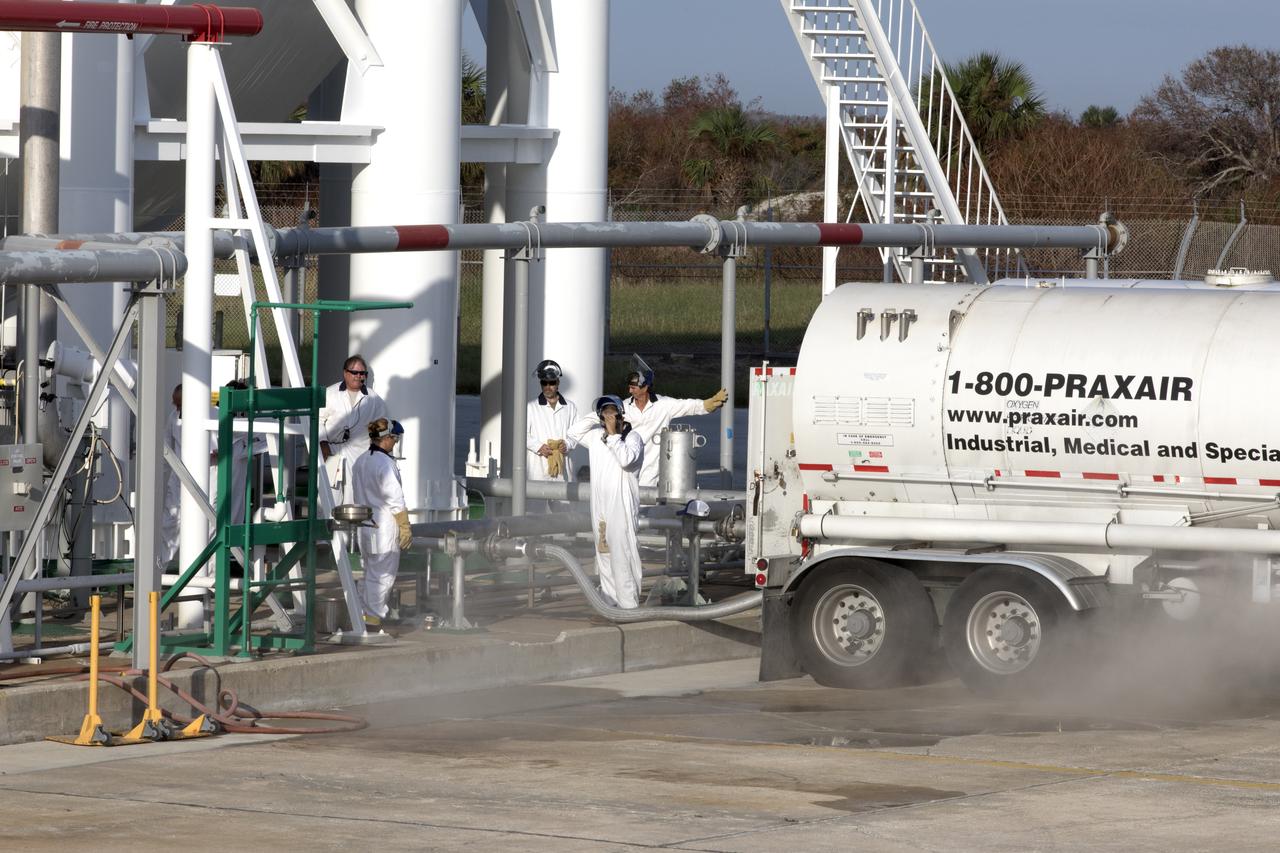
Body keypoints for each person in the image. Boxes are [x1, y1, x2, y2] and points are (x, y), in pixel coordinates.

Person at [566, 395, 645, 609]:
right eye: (605, 413)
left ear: (620, 414)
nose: (609, 416)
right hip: (600, 505)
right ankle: (611, 602)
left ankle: (629, 605)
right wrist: (596, 416)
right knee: (604, 553)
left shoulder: (632, 437)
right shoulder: (595, 437)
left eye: (613, 412)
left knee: (622, 553)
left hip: (621, 506)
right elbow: (573, 432)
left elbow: (626, 459)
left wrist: (612, 434)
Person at [621, 358, 727, 489]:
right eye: (629, 387)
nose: (630, 391)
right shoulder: (623, 406)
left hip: (651, 468)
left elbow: (686, 405)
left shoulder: (663, 405)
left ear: (646, 387)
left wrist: (707, 404)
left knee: (646, 505)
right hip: (628, 465)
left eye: (633, 387)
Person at [351, 417, 412, 629]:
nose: (395, 442)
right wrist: (405, 527)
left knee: (368, 572)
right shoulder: (385, 464)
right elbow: (396, 500)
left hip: (365, 527)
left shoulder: (360, 461)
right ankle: (374, 620)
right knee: (383, 576)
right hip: (384, 528)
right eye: (394, 438)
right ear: (385, 439)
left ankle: (361, 615)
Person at [320, 354, 387, 505]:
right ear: (345, 373)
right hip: (331, 452)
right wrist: (322, 443)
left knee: (354, 498)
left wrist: (376, 451)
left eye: (362, 373)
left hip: (359, 454)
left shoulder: (373, 399)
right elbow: (318, 420)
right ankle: (328, 528)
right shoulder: (330, 394)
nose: (358, 376)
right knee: (329, 497)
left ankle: (349, 529)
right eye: (354, 372)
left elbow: (381, 424)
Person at [526, 359, 578, 485]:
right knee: (536, 504)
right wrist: (539, 447)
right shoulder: (530, 407)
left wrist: (567, 444)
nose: (548, 387)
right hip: (538, 469)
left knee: (564, 504)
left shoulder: (570, 407)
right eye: (544, 383)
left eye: (552, 383)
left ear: (558, 382)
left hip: (563, 469)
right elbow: (521, 434)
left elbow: (576, 434)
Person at [158, 383, 184, 572]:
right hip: (178, 479)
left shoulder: (212, 416)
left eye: (180, 404)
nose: (176, 408)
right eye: (175, 404)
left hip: (207, 481)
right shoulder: (173, 417)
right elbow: (166, 444)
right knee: (168, 524)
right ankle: (158, 571)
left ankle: (207, 577)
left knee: (206, 530)